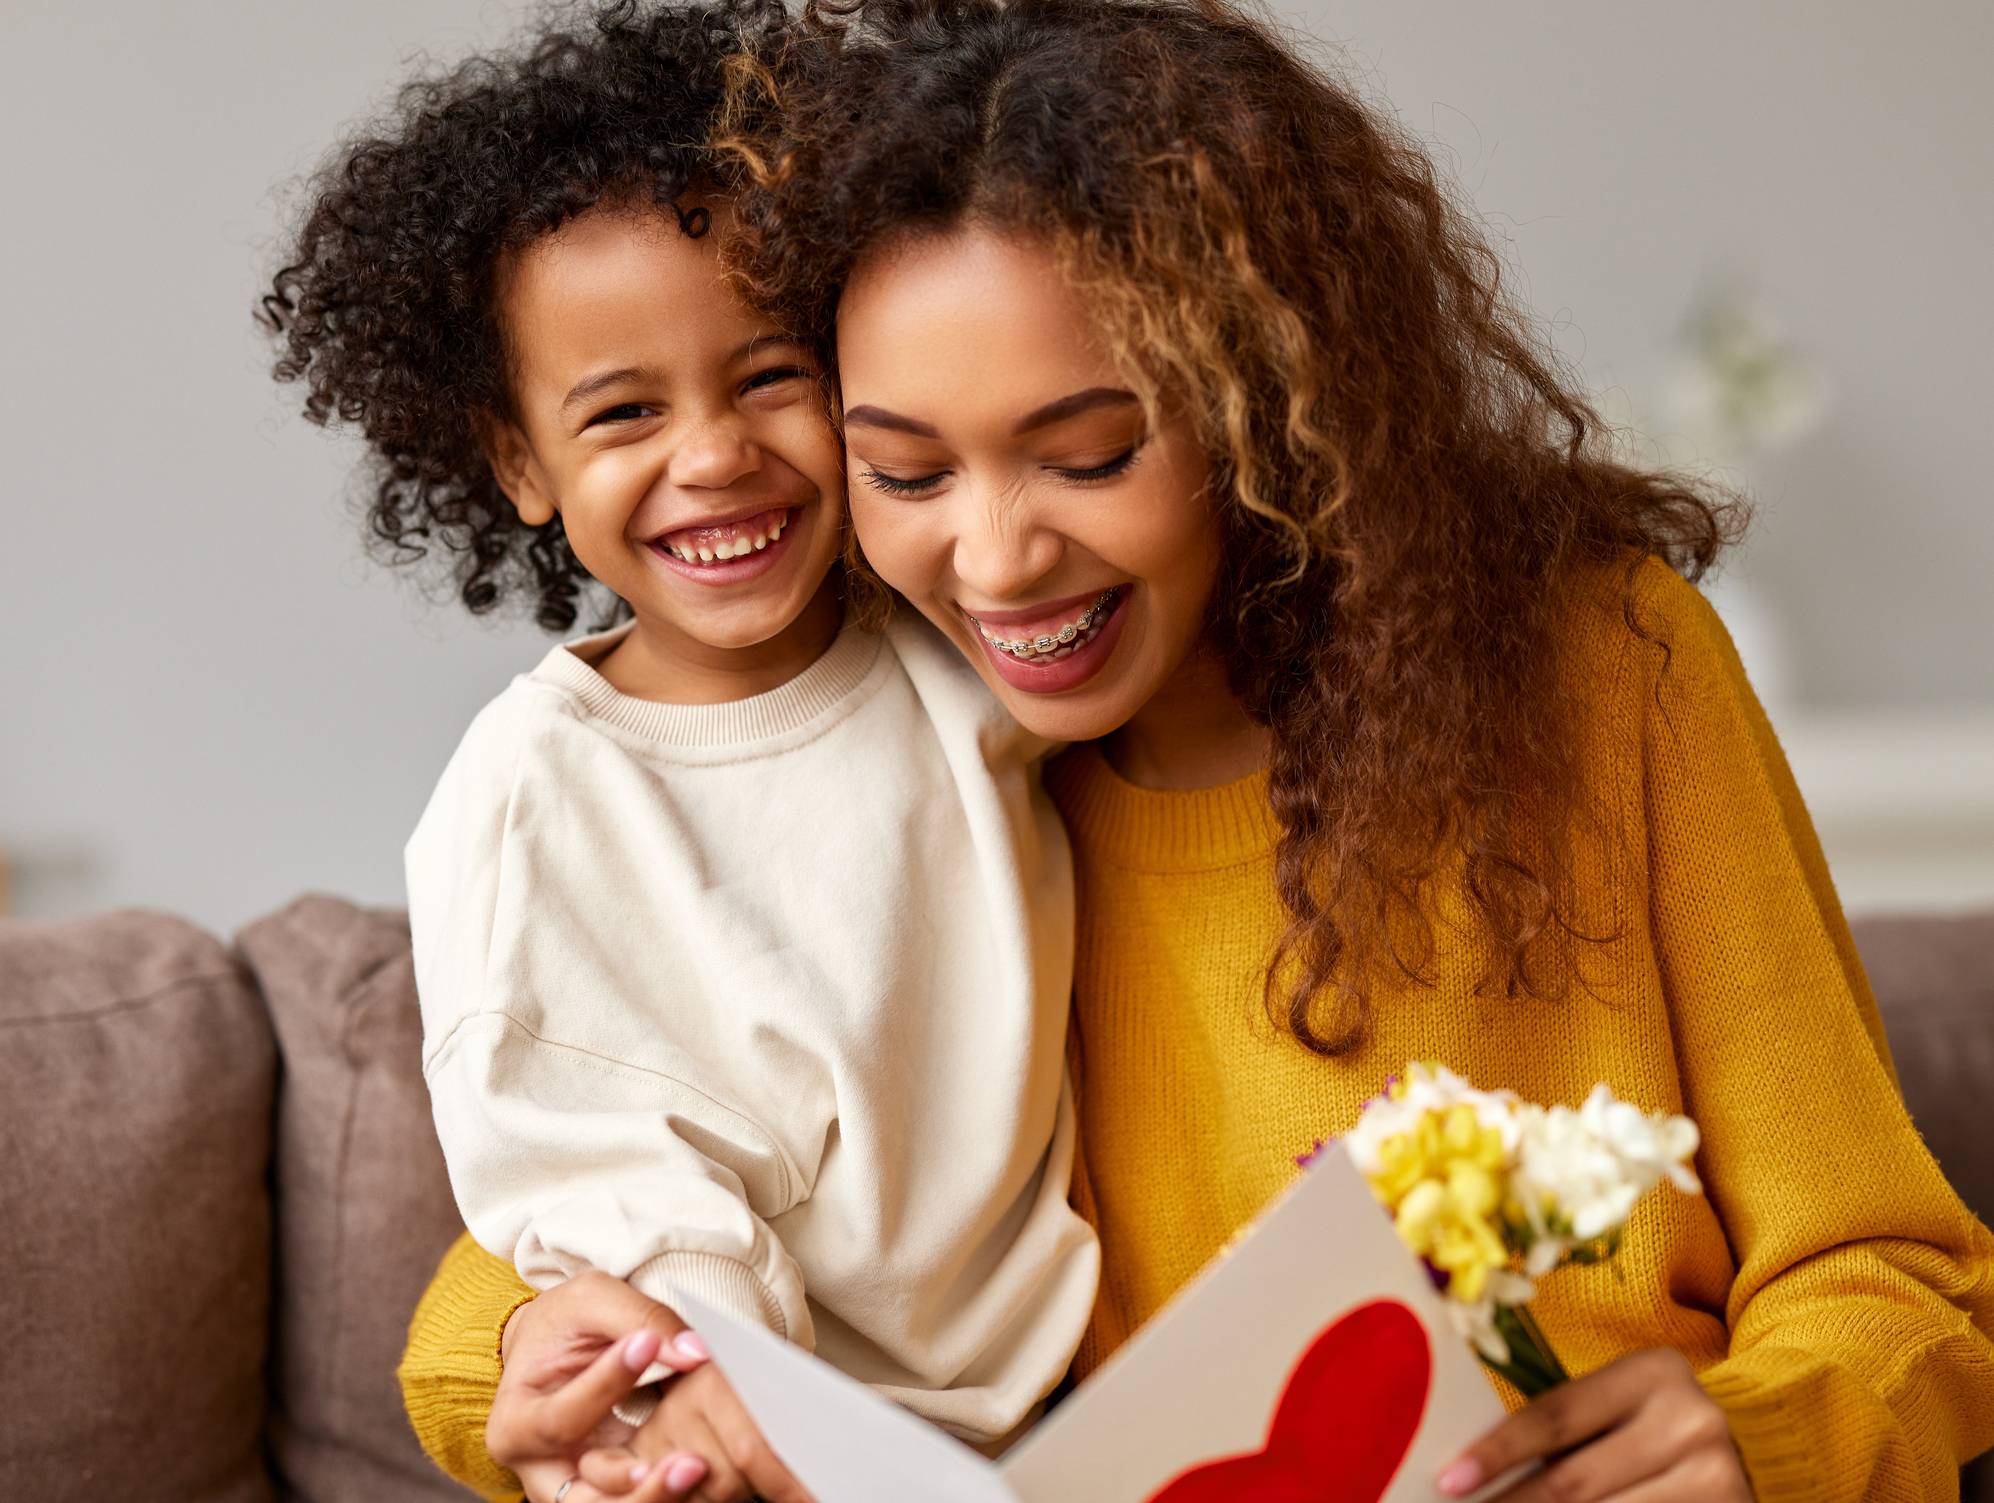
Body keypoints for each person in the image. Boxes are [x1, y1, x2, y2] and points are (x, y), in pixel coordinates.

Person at [400, 2, 1994, 1500]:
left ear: (1269, 403)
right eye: (903, 471)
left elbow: (1893, 1282)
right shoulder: (908, 755)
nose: (996, 563)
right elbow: (630, 1159)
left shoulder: (1598, 667)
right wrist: (531, 1373)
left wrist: (1753, 1442)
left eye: (1087, 455)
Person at [260, 6, 1100, 1503]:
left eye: (769, 374)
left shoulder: (952, 638)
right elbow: (611, 1181)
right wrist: (723, 1402)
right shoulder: (535, 802)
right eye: (625, 411)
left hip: (1068, 1415)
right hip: (781, 1438)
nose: (711, 453)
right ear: (518, 460)